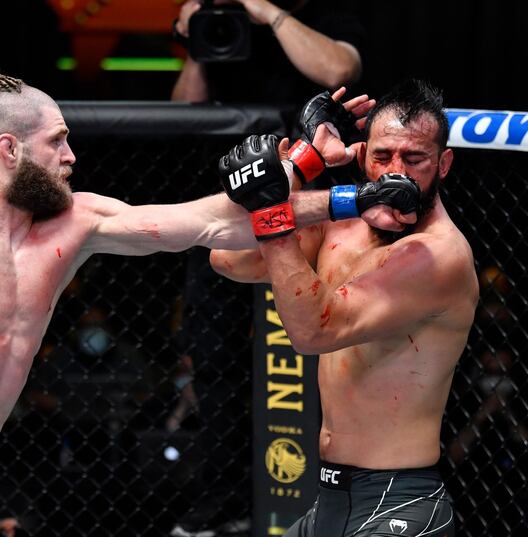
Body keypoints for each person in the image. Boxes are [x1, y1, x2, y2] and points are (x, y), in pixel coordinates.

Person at [0, 19, 410, 535]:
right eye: (59, 142)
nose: (73, 156)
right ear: (10, 150)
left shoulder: (74, 223)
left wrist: (333, 183)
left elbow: (215, 222)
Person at [210, 78, 478, 536]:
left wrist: (273, 208)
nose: (397, 172)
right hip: (330, 499)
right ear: (361, 153)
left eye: (414, 160)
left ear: (444, 164)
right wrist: (302, 163)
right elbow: (227, 256)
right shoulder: (344, 223)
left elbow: (314, 331)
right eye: (382, 156)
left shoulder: (438, 257)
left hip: (399, 503)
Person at [169, 2, 363, 535]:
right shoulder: (215, 14)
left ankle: (327, 493)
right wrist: (198, 43)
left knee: (317, 350)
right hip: (229, 201)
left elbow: (340, 70)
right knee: (214, 360)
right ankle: (224, 499)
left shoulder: (305, 10)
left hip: (310, 205)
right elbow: (187, 108)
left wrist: (267, 13)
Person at [172, 0, 364, 106]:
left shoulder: (333, 11)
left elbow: (339, 72)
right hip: (231, 158)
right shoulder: (223, 15)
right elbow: (186, 112)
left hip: (309, 152)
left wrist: (268, 12)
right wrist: (199, 34)